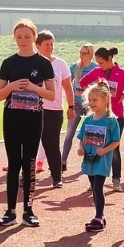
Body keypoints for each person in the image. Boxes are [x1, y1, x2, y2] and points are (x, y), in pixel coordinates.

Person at [0, 19, 58, 227]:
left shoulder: (43, 64)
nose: (23, 40)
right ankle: (10, 211)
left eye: (27, 36)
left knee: (29, 163)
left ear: (34, 38)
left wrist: (33, 87)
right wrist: (12, 86)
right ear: (14, 38)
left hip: (33, 119)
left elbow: (51, 95)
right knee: (14, 162)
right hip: (12, 118)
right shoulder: (8, 63)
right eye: (19, 37)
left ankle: (28, 211)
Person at [80, 47, 124, 191]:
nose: (100, 65)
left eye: (102, 62)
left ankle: (116, 180)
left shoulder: (122, 73)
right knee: (95, 146)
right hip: (99, 116)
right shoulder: (97, 72)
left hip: (116, 117)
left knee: (114, 147)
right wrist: (93, 93)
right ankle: (95, 179)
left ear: (110, 59)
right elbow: (82, 82)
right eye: (98, 62)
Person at [77, 81, 122, 232]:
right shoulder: (88, 119)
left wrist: (104, 150)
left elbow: (116, 141)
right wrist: (81, 148)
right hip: (89, 159)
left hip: (102, 160)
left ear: (105, 99)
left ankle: (99, 217)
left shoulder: (111, 120)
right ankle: (99, 216)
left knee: (98, 187)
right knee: (94, 188)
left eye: (95, 100)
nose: (91, 103)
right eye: (89, 100)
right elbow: (82, 137)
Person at [35, 30, 73, 189]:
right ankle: (27, 175)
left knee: (52, 144)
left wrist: (71, 106)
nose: (50, 47)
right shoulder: (32, 63)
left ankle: (57, 177)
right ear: (38, 46)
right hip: (34, 109)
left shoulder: (60, 64)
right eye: (46, 44)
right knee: (30, 144)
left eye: (51, 44)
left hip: (54, 110)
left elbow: (67, 87)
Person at [60, 43, 97, 174]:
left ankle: (88, 162)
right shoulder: (75, 67)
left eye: (84, 53)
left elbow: (101, 87)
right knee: (69, 134)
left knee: (89, 135)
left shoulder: (95, 69)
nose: (81, 55)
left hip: (91, 106)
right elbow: (65, 83)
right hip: (76, 104)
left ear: (91, 54)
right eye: (80, 52)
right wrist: (69, 100)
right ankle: (63, 162)